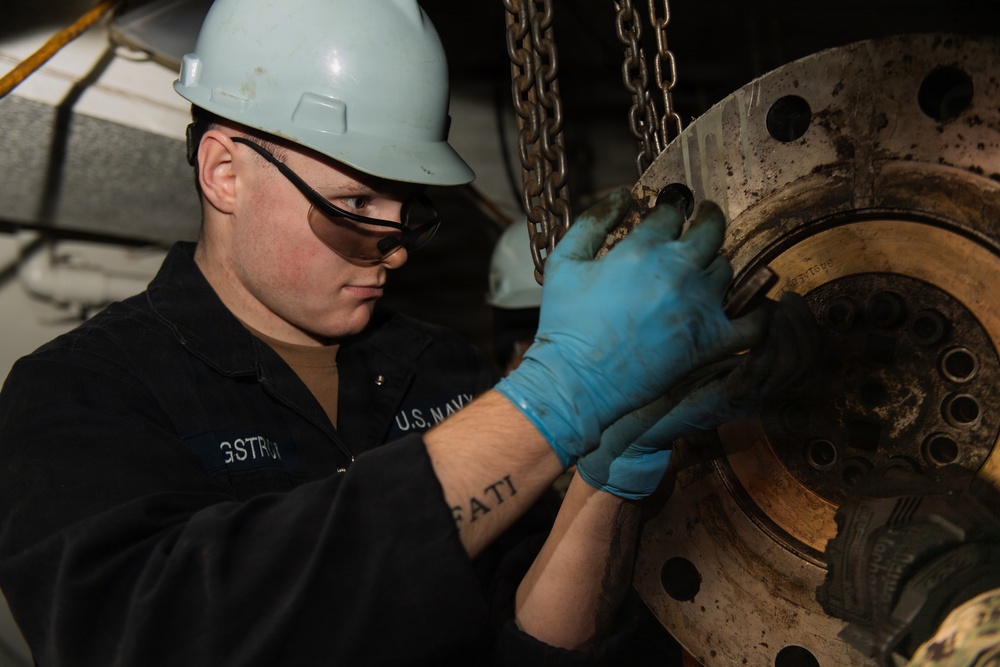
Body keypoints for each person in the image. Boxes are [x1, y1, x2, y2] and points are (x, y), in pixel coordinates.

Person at [0, 0, 805, 664]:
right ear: (224, 172)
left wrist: (608, 477)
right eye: (354, 204)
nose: (395, 247)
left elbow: (528, 636)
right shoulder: (81, 391)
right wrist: (559, 395)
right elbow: (157, 635)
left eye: (408, 209)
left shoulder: (439, 367)